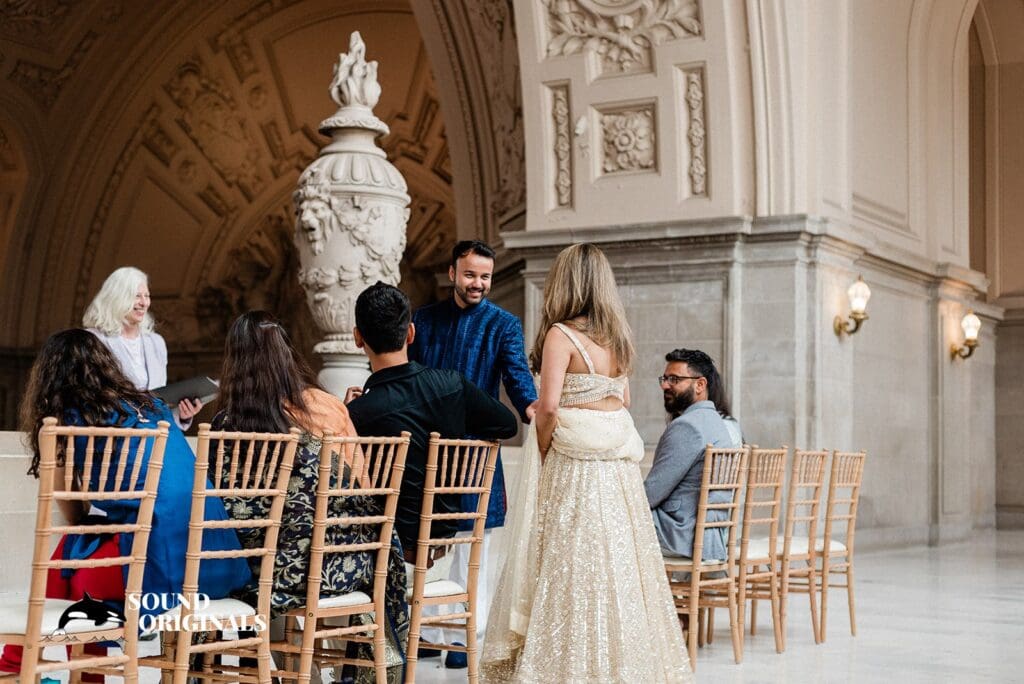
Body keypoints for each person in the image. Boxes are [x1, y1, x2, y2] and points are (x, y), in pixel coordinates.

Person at [481, 244, 692, 683]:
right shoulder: (618, 337)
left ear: (565, 283)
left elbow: (550, 406)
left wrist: (541, 446)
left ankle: (569, 666)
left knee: (569, 565)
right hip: (616, 471)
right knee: (620, 566)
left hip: (575, 469)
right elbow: (623, 400)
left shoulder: (561, 335)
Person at [0, 329, 249, 678]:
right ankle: (57, 671)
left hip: (163, 581)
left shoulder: (69, 421)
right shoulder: (156, 409)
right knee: (75, 555)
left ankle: (26, 668)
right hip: (215, 567)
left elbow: (72, 513)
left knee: (69, 558)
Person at [209, 311, 409, 682]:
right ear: (286, 353)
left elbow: (221, 508)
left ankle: (257, 667)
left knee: (220, 568)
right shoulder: (325, 406)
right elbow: (361, 489)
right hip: (342, 564)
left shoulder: (225, 425)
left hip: (267, 572)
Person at [408, 240, 536, 665]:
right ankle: (425, 632)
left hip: (474, 453)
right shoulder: (422, 321)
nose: (477, 283)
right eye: (470, 275)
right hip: (425, 449)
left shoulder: (503, 324)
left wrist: (531, 407)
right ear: (452, 274)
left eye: (484, 276)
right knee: (424, 541)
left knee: (468, 542)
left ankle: (463, 637)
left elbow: (517, 375)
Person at [344, 282, 518, 561]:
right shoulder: (452, 386)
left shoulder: (358, 414)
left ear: (358, 338)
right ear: (411, 333)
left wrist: (347, 418)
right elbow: (507, 424)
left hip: (387, 553)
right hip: (442, 542)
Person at [83, 266, 202, 429]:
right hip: (116, 433)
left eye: (147, 296)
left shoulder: (156, 342)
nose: (144, 302)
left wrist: (181, 414)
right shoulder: (94, 339)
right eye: (137, 296)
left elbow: (160, 401)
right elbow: (89, 395)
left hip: (155, 432)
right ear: (116, 297)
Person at [645, 348, 735, 561]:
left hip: (681, 535)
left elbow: (650, 494)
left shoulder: (687, 426)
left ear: (700, 385)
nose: (665, 385)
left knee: (605, 522)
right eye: (665, 379)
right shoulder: (717, 423)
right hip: (708, 536)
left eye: (674, 379)